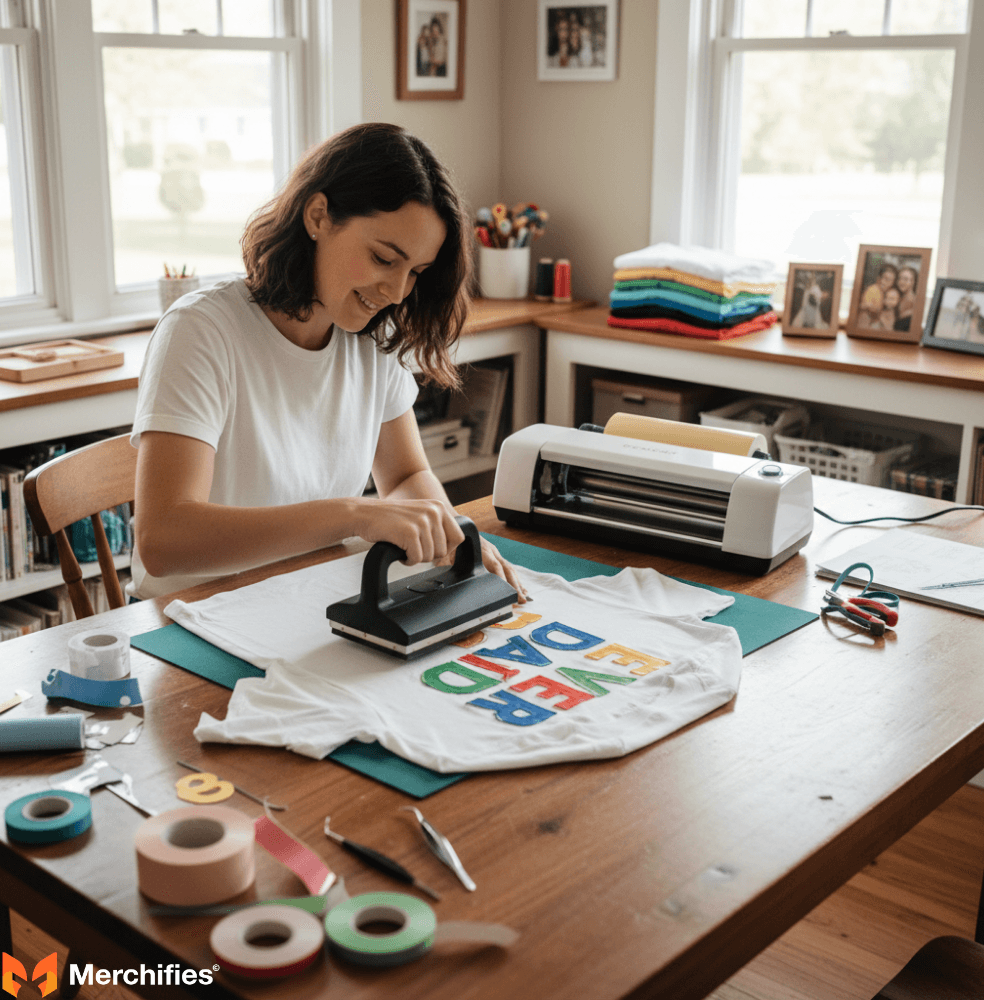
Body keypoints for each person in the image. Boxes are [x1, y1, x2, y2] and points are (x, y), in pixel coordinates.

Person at [130, 122, 526, 603]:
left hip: (303, 598)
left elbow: (404, 476)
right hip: (194, 615)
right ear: (318, 216)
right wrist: (354, 515)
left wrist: (451, 532)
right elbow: (163, 540)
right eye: (384, 258)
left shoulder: (371, 337)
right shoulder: (201, 331)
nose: (396, 292)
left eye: (415, 272)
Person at [858, 263, 897, 327]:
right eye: (886, 278)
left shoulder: (889, 292)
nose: (887, 282)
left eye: (890, 280)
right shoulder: (873, 290)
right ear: (879, 278)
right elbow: (868, 307)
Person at [892, 265, 918, 333]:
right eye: (899, 278)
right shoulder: (898, 297)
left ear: (912, 282)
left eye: (905, 279)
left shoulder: (914, 301)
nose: (901, 282)